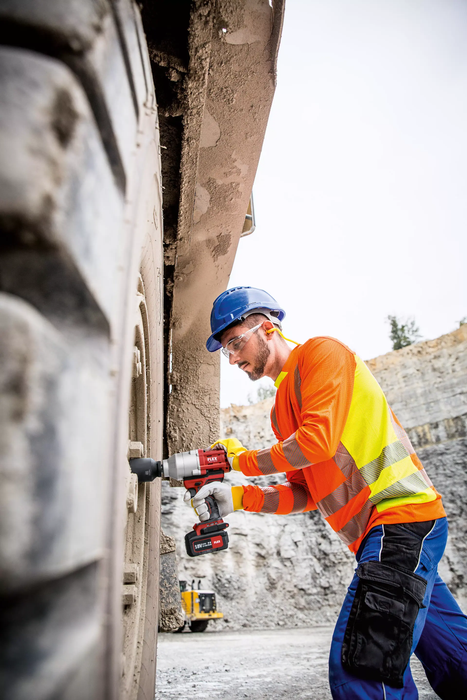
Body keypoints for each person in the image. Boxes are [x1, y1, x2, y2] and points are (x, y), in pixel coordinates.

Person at [186, 286, 467, 700]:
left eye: (234, 343)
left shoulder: (322, 355)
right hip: (383, 536)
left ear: (266, 329)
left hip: (400, 519)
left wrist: (238, 461)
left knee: (364, 665)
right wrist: (241, 498)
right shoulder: (283, 409)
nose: (232, 359)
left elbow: (315, 444)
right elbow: (304, 494)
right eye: (225, 352)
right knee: (455, 659)